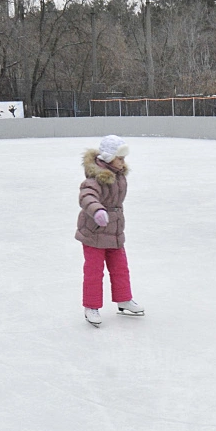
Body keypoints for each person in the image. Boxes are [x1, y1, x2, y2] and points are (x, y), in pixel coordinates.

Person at [75, 135, 145, 326]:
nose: (123, 163)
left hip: (114, 231)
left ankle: (123, 299)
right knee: (94, 271)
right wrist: (96, 209)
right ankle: (91, 306)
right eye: (120, 158)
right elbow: (86, 195)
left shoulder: (119, 174)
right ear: (107, 157)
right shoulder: (96, 177)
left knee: (120, 268)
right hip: (94, 232)